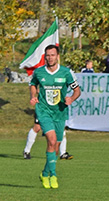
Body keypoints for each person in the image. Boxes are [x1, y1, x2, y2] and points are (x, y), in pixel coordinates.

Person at [29, 45, 81, 189]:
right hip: (44, 111)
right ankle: (53, 175)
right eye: (47, 55)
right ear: (45, 56)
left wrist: (71, 98)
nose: (49, 58)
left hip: (60, 112)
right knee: (51, 141)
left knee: (56, 149)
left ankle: (45, 173)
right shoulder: (39, 72)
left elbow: (77, 90)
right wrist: (33, 96)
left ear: (57, 56)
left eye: (52, 55)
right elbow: (33, 85)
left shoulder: (66, 72)